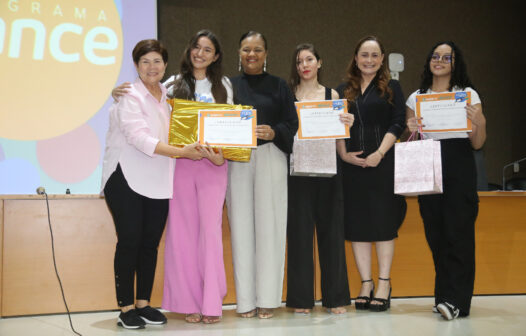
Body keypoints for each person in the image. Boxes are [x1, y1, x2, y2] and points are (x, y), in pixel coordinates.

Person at [112, 30, 232, 324]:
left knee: (211, 236)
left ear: (216, 56)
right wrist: (115, 92)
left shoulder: (225, 86)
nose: (200, 53)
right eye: (196, 47)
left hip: (213, 166)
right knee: (182, 237)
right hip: (178, 166)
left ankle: (211, 302)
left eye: (207, 49)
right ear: (188, 50)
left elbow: (231, 126)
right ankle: (188, 302)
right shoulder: (170, 85)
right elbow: (145, 107)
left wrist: (221, 156)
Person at [101, 39, 202, 329]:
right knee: (130, 241)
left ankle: (144, 304)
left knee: (149, 244)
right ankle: (126, 308)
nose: (151, 67)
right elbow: (139, 138)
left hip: (157, 178)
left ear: (165, 65)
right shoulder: (128, 96)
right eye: (145, 62)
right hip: (125, 177)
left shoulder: (168, 95)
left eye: (157, 61)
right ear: (136, 65)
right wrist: (182, 153)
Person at [406, 41, 486, 320]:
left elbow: (478, 143)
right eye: (434, 56)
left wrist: (480, 121)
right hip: (428, 161)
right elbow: (411, 137)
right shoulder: (417, 97)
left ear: (455, 63)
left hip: (458, 164)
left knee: (459, 233)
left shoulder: (467, 94)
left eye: (446, 57)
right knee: (435, 232)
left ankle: (456, 300)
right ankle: (445, 296)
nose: (439, 60)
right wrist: (411, 127)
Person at [227, 31, 298, 319]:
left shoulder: (280, 86)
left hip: (271, 157)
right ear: (239, 53)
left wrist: (274, 132)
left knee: (271, 228)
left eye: (257, 49)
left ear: (266, 54)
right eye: (246, 49)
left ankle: (268, 298)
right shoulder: (227, 85)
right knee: (241, 228)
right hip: (237, 160)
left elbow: (292, 125)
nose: (251, 54)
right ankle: (245, 301)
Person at [336, 36, 407, 312]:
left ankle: (384, 283)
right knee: (358, 227)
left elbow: (399, 121)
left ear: (382, 59)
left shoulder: (392, 87)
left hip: (383, 164)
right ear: (356, 58)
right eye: (364, 55)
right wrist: (343, 154)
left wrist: (380, 153)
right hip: (352, 166)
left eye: (374, 55)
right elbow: (336, 126)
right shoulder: (343, 90)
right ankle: (366, 283)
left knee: (383, 224)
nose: (369, 60)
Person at [285, 43, 353, 314]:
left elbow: (337, 137)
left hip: (328, 171)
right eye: (300, 61)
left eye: (309, 59)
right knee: (300, 236)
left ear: (319, 63)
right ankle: (301, 300)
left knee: (332, 235)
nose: (305, 65)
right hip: (297, 171)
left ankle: (335, 298)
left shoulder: (331, 94)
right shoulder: (288, 94)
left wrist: (346, 129)